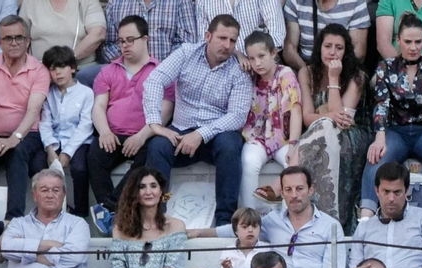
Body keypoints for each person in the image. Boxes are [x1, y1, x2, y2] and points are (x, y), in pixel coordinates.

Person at [142, 15, 253, 227]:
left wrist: (201, 133)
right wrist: (155, 123)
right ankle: (156, 218)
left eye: (232, 40)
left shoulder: (239, 69)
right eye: (222, 38)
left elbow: (237, 116)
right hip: (181, 129)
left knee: (230, 145)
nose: (227, 45)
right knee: (157, 146)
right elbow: (155, 80)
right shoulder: (186, 53)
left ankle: (224, 222)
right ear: (208, 36)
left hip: (216, 135)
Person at [87, 15, 169, 233]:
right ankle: (113, 215)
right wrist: (104, 131)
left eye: (130, 40)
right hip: (113, 134)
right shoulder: (108, 71)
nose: (125, 46)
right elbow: (98, 107)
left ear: (145, 39)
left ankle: (109, 207)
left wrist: (142, 136)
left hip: (145, 135)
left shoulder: (161, 72)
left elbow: (165, 112)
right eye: (121, 41)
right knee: (94, 154)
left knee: (150, 156)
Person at [361, 14, 422, 219]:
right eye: (408, 41)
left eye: (418, 41)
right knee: (376, 156)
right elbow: (381, 104)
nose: (413, 47)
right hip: (395, 131)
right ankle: (365, 217)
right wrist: (380, 136)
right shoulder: (386, 66)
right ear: (398, 41)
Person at [239, 164, 341, 268]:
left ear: (311, 190)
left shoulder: (330, 225)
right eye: (288, 190)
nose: (294, 195)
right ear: (282, 193)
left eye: (299, 188)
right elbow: (241, 227)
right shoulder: (272, 221)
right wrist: (198, 232)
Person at [0, 16, 51, 221]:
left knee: (17, 153)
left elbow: (33, 111)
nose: (14, 43)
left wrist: (14, 138)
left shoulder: (40, 70)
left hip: (27, 133)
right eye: (8, 39)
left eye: (19, 38)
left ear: (28, 41)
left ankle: (13, 219)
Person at [293, 22, 367, 227]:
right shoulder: (306, 73)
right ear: (319, 48)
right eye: (328, 46)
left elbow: (342, 121)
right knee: (325, 126)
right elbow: (307, 116)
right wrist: (327, 118)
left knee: (329, 127)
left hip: (351, 136)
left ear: (346, 52)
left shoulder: (356, 76)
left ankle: (331, 222)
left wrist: (334, 80)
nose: (333, 52)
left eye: (339, 47)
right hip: (318, 133)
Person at [350, 161, 422, 268]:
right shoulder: (364, 228)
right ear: (376, 191)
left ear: (407, 191)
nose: (391, 198)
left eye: (397, 192)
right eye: (386, 192)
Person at [238, 30, 298, 209]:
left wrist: (294, 144)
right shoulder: (248, 76)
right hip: (256, 137)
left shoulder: (285, 74)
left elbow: (295, 109)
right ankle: (249, 215)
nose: (257, 63)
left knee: (293, 166)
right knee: (249, 162)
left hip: (283, 138)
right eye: (252, 58)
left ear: (274, 53)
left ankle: (289, 218)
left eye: (262, 56)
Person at [36, 46, 93, 218]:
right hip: (55, 140)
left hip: (79, 142)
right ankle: (51, 210)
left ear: (73, 68)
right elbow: (44, 123)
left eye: (62, 67)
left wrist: (68, 152)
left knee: (80, 169)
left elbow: (85, 125)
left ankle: (81, 213)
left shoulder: (86, 93)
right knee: (37, 166)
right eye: (53, 69)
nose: (58, 73)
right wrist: (50, 149)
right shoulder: (47, 94)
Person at [93, 0, 197, 82]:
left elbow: (186, 44)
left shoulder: (180, 2)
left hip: (167, 77)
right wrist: (129, 67)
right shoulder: (116, 2)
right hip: (125, 76)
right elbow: (109, 45)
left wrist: (162, 70)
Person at [280, 0, 369, 68]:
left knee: (358, 80)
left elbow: (358, 53)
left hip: (343, 69)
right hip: (306, 66)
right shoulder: (296, 2)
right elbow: (289, 49)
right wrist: (307, 73)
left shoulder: (356, 3)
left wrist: (334, 75)